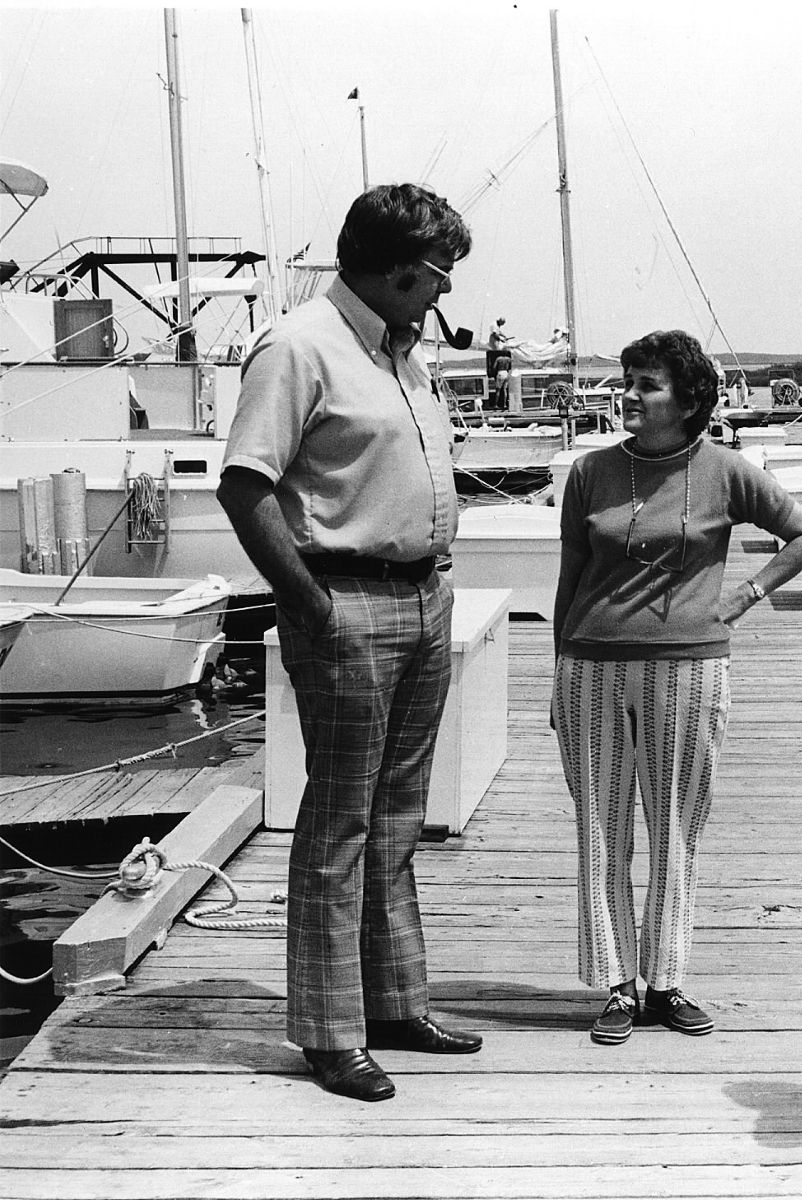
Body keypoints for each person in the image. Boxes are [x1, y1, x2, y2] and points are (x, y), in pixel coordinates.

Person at [217, 184, 482, 1102]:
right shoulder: (299, 347)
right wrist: (309, 603)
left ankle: (394, 1001)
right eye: (439, 277)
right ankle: (330, 1034)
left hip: (421, 600)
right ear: (399, 268)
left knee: (398, 819)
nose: (444, 296)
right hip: (347, 605)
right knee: (338, 823)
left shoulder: (402, 354)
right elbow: (245, 487)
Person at [551, 329, 802, 1046]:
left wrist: (745, 597)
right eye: (628, 381)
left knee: (676, 826)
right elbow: (569, 579)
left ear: (689, 398)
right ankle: (616, 985)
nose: (630, 396)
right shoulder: (589, 472)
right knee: (600, 830)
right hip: (591, 666)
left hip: (690, 668)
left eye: (648, 384)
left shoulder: (727, 471)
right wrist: (557, 671)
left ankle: (666, 980)